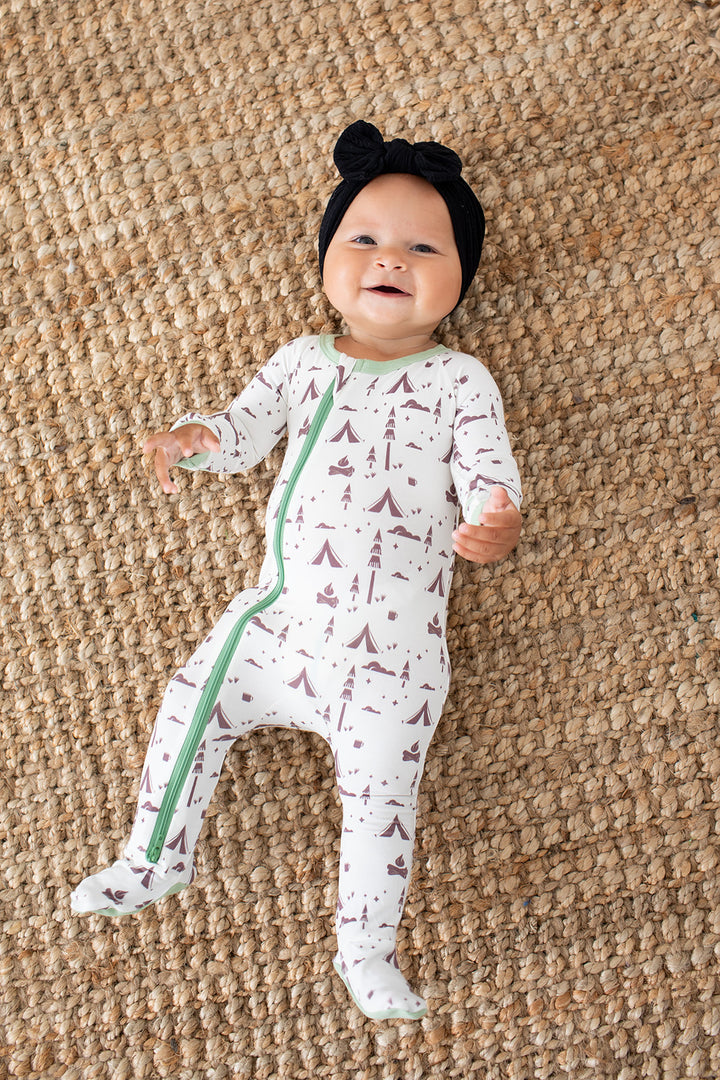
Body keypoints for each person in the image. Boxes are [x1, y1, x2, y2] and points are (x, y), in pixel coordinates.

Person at [71, 120, 522, 1021]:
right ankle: (155, 857)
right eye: (362, 238)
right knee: (189, 703)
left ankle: (366, 951)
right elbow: (241, 435)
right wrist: (199, 441)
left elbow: (489, 477)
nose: (388, 257)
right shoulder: (302, 363)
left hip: (391, 658)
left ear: (458, 279)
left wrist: (496, 525)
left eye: (422, 247)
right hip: (278, 625)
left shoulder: (459, 380)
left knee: (381, 805)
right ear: (327, 263)